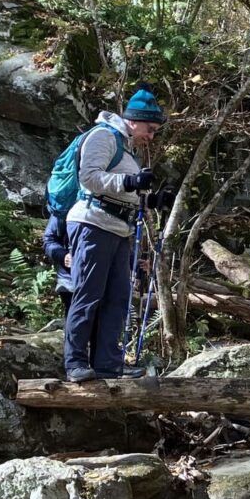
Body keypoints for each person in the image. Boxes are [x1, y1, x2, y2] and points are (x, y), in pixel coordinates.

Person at [63, 88, 175, 382]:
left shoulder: (126, 148)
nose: (151, 137)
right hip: (91, 224)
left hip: (117, 228)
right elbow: (89, 177)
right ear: (134, 121)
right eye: (150, 130)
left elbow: (123, 194)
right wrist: (130, 181)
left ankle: (107, 364)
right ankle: (75, 363)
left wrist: (151, 200)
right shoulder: (103, 136)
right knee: (88, 294)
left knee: (118, 297)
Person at [42, 211, 74, 317]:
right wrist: (63, 256)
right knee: (75, 321)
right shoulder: (66, 206)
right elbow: (49, 240)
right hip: (69, 282)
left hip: (104, 281)